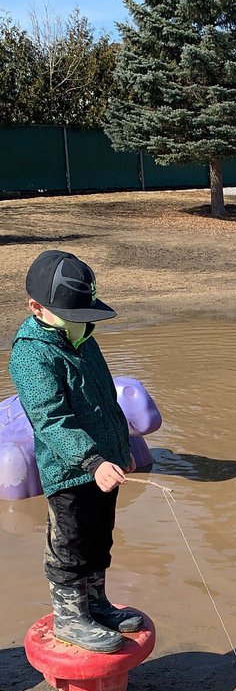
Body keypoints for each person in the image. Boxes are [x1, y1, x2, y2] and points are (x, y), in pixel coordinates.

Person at [9, 250, 142, 653]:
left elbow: (107, 399)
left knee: (100, 539)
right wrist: (91, 460)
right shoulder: (31, 354)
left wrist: (123, 446)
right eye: (73, 313)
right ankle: (70, 616)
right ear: (37, 308)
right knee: (70, 544)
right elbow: (51, 420)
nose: (82, 320)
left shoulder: (83, 339)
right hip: (70, 472)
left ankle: (96, 603)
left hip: (106, 465)